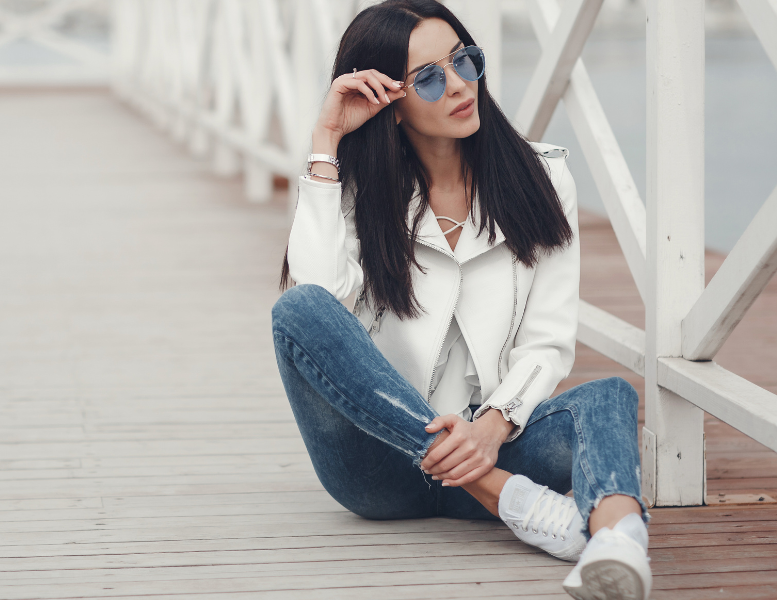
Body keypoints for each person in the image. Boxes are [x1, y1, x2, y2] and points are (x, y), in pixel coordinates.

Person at [271, 1, 651, 598]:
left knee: (608, 396)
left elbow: (548, 341)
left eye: (464, 61)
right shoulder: (353, 192)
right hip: (379, 471)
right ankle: (504, 498)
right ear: (389, 102)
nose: (457, 86)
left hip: (498, 446)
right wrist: (326, 141)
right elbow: (318, 303)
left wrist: (493, 428)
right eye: (427, 77)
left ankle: (618, 545)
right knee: (295, 310)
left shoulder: (542, 179)